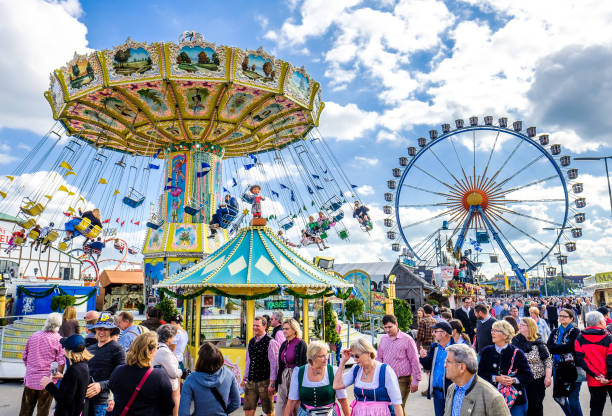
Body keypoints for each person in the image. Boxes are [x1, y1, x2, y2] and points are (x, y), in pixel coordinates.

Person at [109, 332, 174, 416]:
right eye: (157, 347)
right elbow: (168, 405)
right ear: (151, 351)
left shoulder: (118, 371)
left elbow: (113, 388)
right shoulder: (159, 376)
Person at [334, 338, 404, 416]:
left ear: (368, 353)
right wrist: (343, 362)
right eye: (352, 356)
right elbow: (337, 385)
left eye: (357, 356)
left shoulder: (385, 370)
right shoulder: (356, 369)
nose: (355, 359)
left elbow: (397, 404)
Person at [478, 320, 534, 416]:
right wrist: (495, 378)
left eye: (496, 330)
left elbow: (528, 376)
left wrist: (513, 380)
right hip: (491, 399)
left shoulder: (517, 353)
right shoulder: (486, 351)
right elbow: (479, 374)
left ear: (505, 335)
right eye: (492, 330)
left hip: (515, 401)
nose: (492, 333)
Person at [283, 340, 349, 416]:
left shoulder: (334, 371)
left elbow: (343, 400)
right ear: (312, 358)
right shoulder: (299, 372)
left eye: (326, 354)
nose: (326, 358)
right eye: (322, 356)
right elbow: (291, 402)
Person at [443, 343, 511, 416]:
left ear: (462, 367)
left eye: (448, 361)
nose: (445, 365)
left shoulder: (492, 397)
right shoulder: (451, 389)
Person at [20, 313, 65, 416]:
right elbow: (60, 362)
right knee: (43, 412)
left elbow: (24, 356)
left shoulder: (34, 336)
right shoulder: (59, 340)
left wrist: (32, 369)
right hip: (47, 382)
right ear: (59, 325)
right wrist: (55, 377)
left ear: (46, 322)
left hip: (30, 380)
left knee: (25, 410)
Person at [179, 342, 240, 416]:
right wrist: (223, 412)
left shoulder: (191, 379)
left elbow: (183, 412)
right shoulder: (228, 374)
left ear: (200, 360)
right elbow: (236, 402)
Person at [378, 314, 421, 411]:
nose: (387, 330)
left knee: (398, 407)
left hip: (402, 379)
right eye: (385, 327)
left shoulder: (407, 339)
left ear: (396, 324)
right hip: (386, 379)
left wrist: (416, 380)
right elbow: (379, 358)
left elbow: (414, 360)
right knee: (388, 408)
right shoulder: (383, 339)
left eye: (390, 327)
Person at [40, 334, 91, 416]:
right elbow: (76, 385)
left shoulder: (73, 370)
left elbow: (65, 400)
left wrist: (49, 384)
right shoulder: (83, 365)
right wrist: (64, 377)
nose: (63, 349)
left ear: (69, 352)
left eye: (64, 347)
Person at [86, 311, 126, 416]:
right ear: (95, 329)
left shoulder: (117, 349)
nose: (101, 332)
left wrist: (101, 385)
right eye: (99, 328)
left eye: (105, 329)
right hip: (86, 401)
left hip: (104, 403)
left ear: (111, 330)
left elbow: (122, 377)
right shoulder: (90, 348)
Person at [512, 317, 553, 416]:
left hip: (537, 380)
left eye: (522, 324)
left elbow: (548, 361)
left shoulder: (539, 343)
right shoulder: (515, 340)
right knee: (522, 407)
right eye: (519, 324)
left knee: (535, 406)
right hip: (520, 380)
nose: (519, 326)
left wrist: (548, 377)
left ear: (530, 327)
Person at [575, 311, 612, 416]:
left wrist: (596, 374)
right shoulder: (609, 337)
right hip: (610, 378)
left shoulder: (580, 338)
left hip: (594, 379)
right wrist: (608, 377)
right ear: (601, 322)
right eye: (604, 320)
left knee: (596, 409)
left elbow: (581, 360)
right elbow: (611, 360)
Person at [547, 307, 583, 416]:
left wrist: (556, 347)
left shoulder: (575, 331)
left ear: (571, 319)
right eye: (560, 316)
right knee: (558, 397)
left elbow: (570, 347)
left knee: (573, 398)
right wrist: (560, 347)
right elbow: (549, 347)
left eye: (564, 316)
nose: (561, 318)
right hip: (558, 367)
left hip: (573, 368)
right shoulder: (555, 331)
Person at [241, 316, 279, 416]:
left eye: (257, 325)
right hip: (251, 381)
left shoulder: (271, 342)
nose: (255, 327)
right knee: (248, 409)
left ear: (265, 326)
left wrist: (272, 383)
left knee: (268, 411)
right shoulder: (251, 341)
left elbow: (274, 364)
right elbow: (248, 361)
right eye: (253, 325)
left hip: (265, 381)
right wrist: (245, 378)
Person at [419, 321, 456, 416]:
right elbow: (428, 366)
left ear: (444, 333)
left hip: (450, 393)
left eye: (435, 331)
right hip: (437, 392)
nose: (433, 334)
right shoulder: (434, 347)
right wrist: (423, 357)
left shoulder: (456, 349)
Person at [275, 319, 308, 416]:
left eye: (287, 329)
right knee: (280, 407)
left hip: (295, 375)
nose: (284, 331)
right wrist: (277, 381)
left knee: (295, 406)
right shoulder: (284, 344)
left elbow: (304, 365)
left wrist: (301, 382)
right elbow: (280, 364)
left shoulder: (301, 343)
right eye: (283, 329)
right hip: (284, 376)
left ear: (294, 330)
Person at [153, 325, 182, 416]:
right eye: (173, 336)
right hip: (167, 388)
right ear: (168, 338)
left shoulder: (156, 347)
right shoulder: (164, 351)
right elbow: (173, 373)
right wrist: (181, 372)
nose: (173, 339)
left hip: (157, 385)